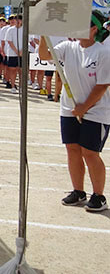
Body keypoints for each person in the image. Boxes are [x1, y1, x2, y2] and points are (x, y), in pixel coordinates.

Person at [38, 11, 110, 212]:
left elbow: (102, 86)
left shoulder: (103, 52)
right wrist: (43, 34)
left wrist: (84, 107)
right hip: (69, 108)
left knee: (90, 152)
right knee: (72, 149)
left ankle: (99, 195)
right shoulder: (68, 47)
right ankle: (78, 191)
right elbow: (44, 55)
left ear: (94, 29)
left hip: (97, 111)